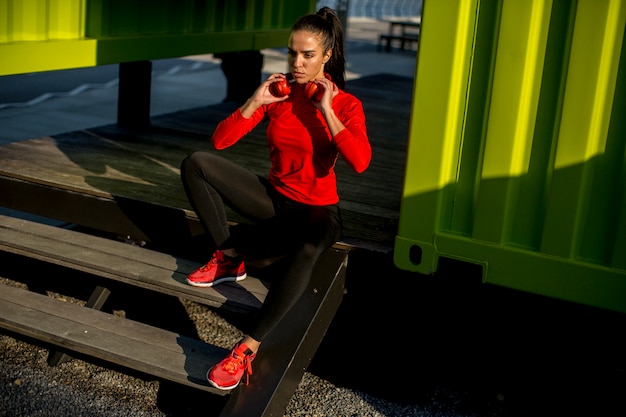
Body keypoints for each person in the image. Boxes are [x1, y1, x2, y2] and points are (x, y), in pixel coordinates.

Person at [180, 6, 371, 391]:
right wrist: (255, 101)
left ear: (327, 56)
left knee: (306, 248)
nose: (297, 63)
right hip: (275, 199)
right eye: (292, 53)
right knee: (197, 163)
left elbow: (361, 162)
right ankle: (228, 258)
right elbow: (220, 141)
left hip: (318, 212)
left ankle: (247, 347)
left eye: (307, 55)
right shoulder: (280, 96)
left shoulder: (346, 105)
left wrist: (328, 111)